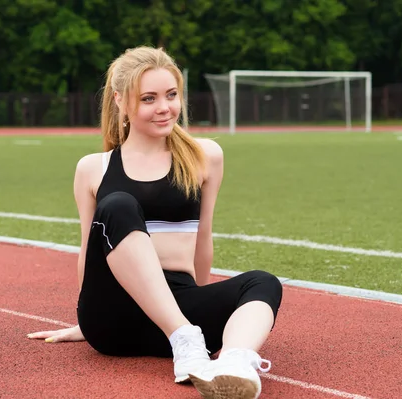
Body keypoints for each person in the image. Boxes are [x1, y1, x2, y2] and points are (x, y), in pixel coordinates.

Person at [27, 46, 283, 399]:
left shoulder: (204, 156)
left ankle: (235, 363)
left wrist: (200, 297)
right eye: (149, 98)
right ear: (121, 102)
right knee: (118, 205)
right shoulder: (93, 168)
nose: (164, 108)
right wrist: (86, 319)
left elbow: (203, 239)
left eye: (171, 95)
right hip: (113, 317)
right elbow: (89, 249)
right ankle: (185, 338)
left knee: (263, 283)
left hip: (177, 305)